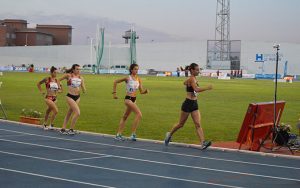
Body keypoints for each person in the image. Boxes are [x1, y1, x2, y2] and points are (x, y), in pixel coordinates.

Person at [165, 63, 212, 150]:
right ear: (192, 70)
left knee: (198, 124)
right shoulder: (192, 79)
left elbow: (184, 83)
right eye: (197, 70)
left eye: (199, 69)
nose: (198, 71)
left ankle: (203, 143)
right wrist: (207, 88)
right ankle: (169, 134)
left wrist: (187, 83)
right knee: (181, 124)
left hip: (194, 104)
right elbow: (196, 89)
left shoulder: (193, 79)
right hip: (187, 104)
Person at [113, 63, 149, 141]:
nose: (136, 71)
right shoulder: (128, 78)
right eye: (135, 69)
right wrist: (114, 94)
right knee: (139, 114)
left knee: (125, 117)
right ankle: (133, 134)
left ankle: (118, 134)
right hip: (128, 99)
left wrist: (145, 91)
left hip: (134, 99)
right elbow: (115, 81)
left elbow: (141, 91)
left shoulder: (139, 79)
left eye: (137, 69)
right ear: (131, 70)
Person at [59, 64, 86, 135]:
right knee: (77, 113)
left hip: (77, 97)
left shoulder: (81, 77)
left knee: (69, 113)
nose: (79, 70)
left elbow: (83, 86)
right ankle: (71, 129)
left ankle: (63, 129)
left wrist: (84, 90)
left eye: (79, 69)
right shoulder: (68, 76)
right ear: (73, 69)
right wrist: (60, 88)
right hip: (70, 96)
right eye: (77, 69)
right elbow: (58, 80)